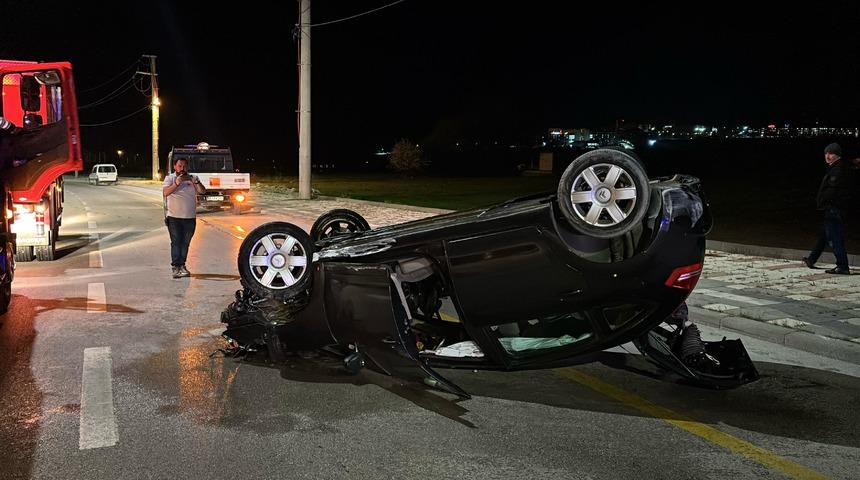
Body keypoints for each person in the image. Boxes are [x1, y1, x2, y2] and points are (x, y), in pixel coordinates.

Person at [802, 143, 854, 275]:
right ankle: (812, 259)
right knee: (824, 235)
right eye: (826, 153)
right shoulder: (836, 167)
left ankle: (842, 265)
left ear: (837, 155)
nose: (827, 156)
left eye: (831, 153)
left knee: (834, 238)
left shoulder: (838, 169)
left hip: (833, 208)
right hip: (832, 208)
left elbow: (832, 190)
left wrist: (824, 202)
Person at [163, 157, 205, 278]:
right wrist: (177, 183)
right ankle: (176, 267)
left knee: (185, 243)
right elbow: (165, 193)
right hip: (174, 218)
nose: (182, 168)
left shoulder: (193, 178)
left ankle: (182, 265)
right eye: (180, 166)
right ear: (175, 167)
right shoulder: (170, 178)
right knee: (176, 242)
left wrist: (196, 182)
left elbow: (202, 191)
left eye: (184, 166)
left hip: (190, 218)